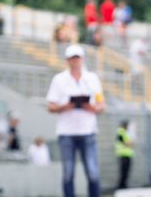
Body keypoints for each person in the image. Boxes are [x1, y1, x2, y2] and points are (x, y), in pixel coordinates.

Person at [46, 44, 106, 197]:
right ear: (67, 60)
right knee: (68, 172)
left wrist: (91, 108)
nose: (75, 61)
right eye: (72, 58)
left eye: (77, 57)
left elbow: (101, 105)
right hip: (67, 132)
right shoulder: (59, 80)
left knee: (93, 172)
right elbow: (51, 106)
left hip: (88, 131)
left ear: (82, 59)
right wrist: (65, 106)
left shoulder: (92, 79)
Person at [115, 120, 135, 189]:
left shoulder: (125, 132)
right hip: (123, 155)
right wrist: (130, 143)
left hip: (127, 155)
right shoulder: (120, 132)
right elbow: (124, 142)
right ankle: (121, 186)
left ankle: (124, 185)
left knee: (126, 172)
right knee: (123, 172)